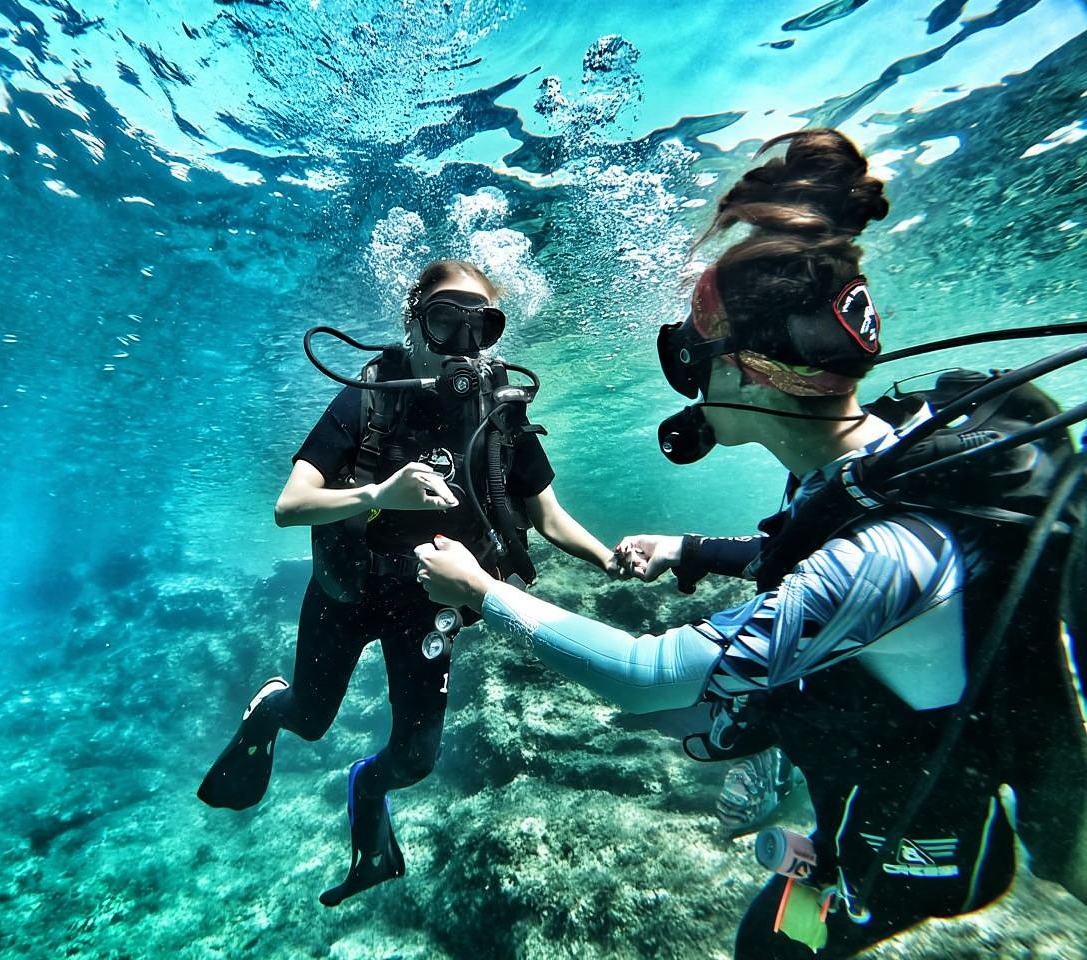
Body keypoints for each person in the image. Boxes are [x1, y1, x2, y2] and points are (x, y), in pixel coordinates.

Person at [414, 130, 1086, 957]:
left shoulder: (888, 549)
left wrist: (480, 590)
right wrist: (692, 549)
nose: (693, 385)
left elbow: (643, 672)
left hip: (910, 851)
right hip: (863, 767)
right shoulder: (871, 459)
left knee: (765, 947)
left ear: (745, 375)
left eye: (696, 362)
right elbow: (803, 546)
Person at [198, 259, 618, 907]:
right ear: (413, 321)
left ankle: (367, 789)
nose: (463, 344)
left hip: (427, 607)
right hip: (346, 592)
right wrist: (380, 492)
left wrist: (610, 559)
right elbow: (290, 505)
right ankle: (269, 710)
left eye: (483, 326)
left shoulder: (498, 413)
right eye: (445, 320)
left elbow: (551, 517)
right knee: (309, 720)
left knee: (416, 760)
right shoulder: (368, 397)